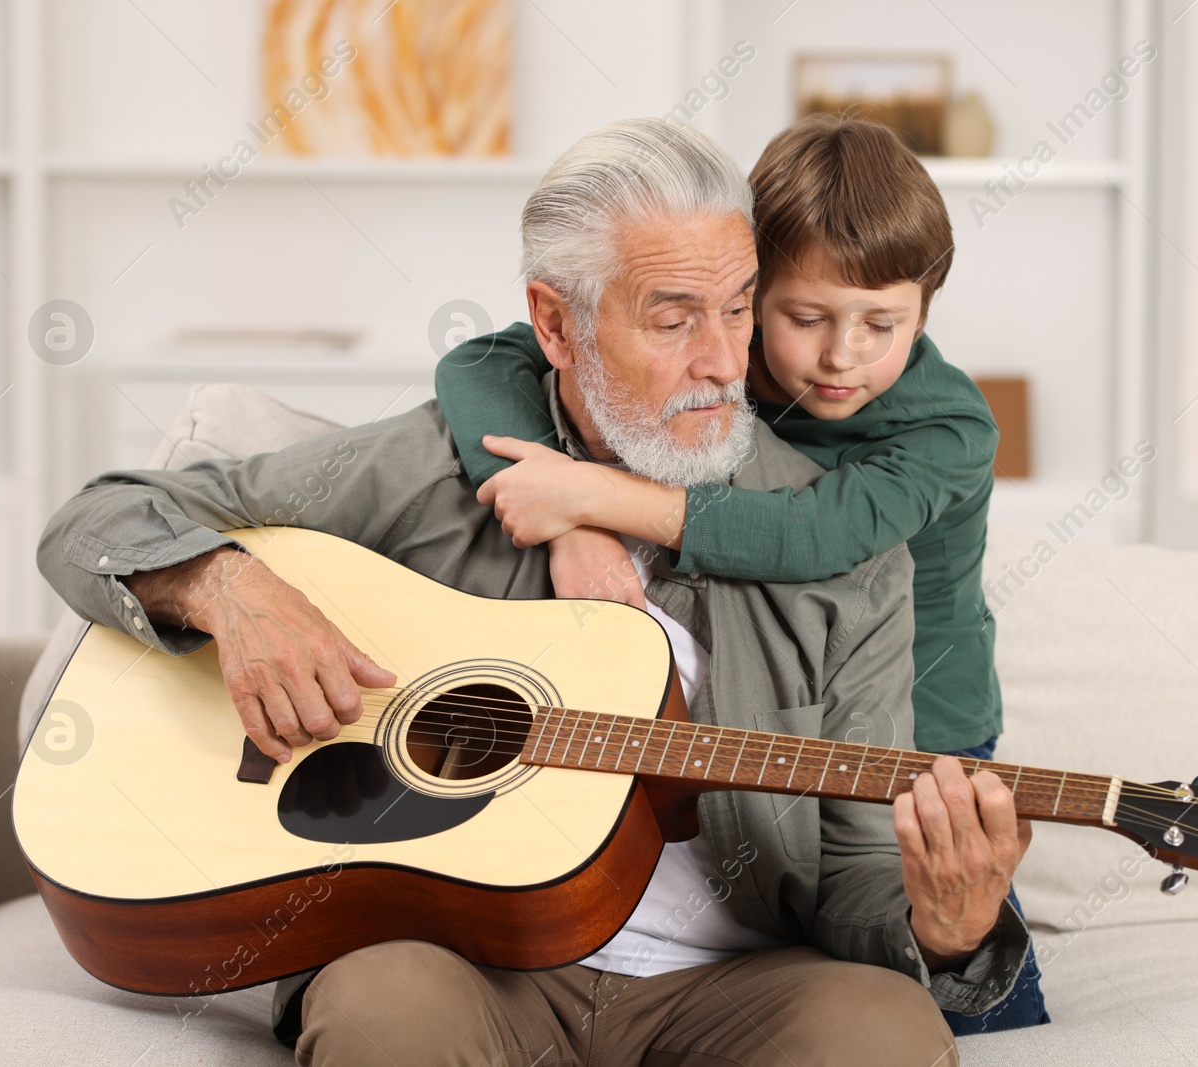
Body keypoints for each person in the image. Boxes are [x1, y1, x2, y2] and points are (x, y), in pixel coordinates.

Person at [37, 117, 1033, 1066]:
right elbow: (98, 518)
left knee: (883, 1029)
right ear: (556, 324)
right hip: (467, 962)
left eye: (737, 308)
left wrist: (943, 930)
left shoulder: (843, 553)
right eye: (673, 318)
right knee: (381, 1011)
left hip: (734, 981)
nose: (725, 363)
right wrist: (232, 589)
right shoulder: (430, 468)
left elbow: (855, 873)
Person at [436, 114, 1048, 1031]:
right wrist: (552, 519)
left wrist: (591, 499)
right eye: (804, 317)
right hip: (785, 706)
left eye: (884, 324)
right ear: (757, 290)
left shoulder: (949, 430)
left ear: (926, 310)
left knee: (966, 988)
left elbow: (812, 537)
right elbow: (480, 364)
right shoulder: (729, 353)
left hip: (933, 722)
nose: (843, 355)